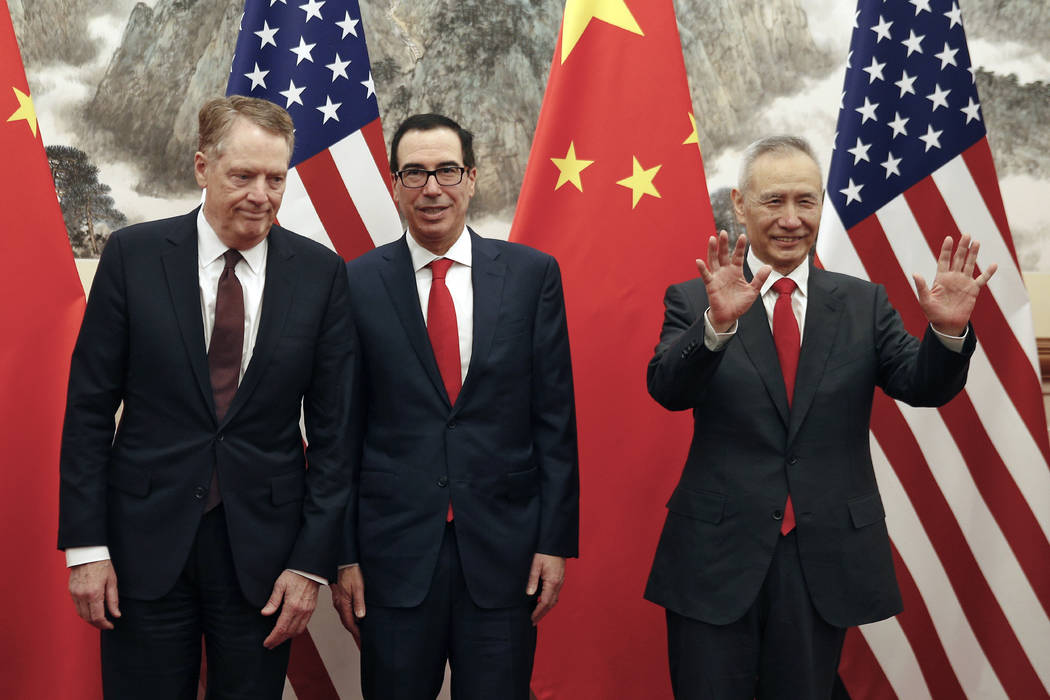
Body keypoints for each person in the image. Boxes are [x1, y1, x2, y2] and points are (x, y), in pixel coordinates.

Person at [644, 135, 996, 699]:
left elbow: (921, 385)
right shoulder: (695, 299)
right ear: (739, 204)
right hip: (714, 558)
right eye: (773, 201)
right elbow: (667, 388)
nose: (791, 219)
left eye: (806, 201)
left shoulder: (863, 303)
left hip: (820, 559)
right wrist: (717, 326)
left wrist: (948, 333)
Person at [57, 95, 354, 699]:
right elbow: (89, 411)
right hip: (142, 548)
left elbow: (336, 435)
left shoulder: (321, 274)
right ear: (202, 168)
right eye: (242, 176)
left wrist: (309, 564)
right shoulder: (132, 257)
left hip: (264, 559)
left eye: (276, 178)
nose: (261, 195)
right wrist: (85, 547)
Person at [331, 113, 579, 700]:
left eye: (446, 170)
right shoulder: (356, 283)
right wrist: (344, 556)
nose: (432, 188)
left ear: (471, 177)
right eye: (414, 174)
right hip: (392, 560)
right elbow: (341, 432)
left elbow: (555, 420)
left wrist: (553, 541)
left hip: (504, 555)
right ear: (394, 185)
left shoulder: (531, 276)